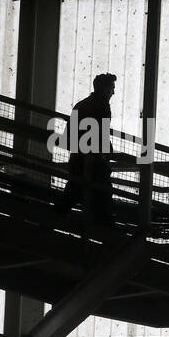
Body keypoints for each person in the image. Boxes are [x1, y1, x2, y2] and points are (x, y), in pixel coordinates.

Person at [55, 72, 117, 226]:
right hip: (94, 162)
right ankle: (107, 231)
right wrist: (105, 152)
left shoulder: (81, 104)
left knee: (72, 194)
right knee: (102, 194)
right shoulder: (102, 106)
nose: (113, 93)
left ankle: (48, 223)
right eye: (112, 88)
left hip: (78, 158)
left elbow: (69, 134)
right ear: (104, 89)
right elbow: (101, 133)